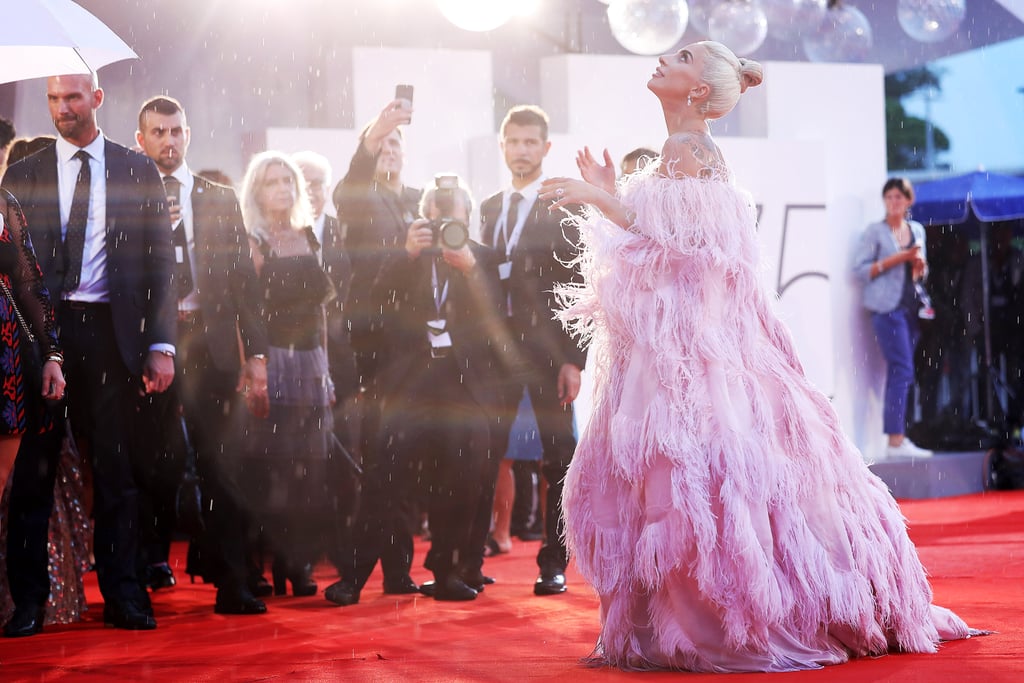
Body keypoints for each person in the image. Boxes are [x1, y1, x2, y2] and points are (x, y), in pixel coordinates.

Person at [540, 41, 979, 672]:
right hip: (690, 350)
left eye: (683, 56)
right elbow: (675, 245)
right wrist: (609, 196)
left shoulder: (685, 150)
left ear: (697, 92)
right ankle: (736, 609)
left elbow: (680, 245)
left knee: (692, 474)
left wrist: (601, 198)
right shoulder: (689, 153)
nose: (665, 58)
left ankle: (718, 619)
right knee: (705, 476)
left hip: (691, 355)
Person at [2, 73, 176, 634]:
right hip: (40, 339)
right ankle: (29, 602)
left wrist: (161, 343)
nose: (62, 109)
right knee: (34, 473)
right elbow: (14, 272)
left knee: (117, 472)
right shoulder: (22, 174)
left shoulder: (136, 168)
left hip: (111, 335)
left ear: (97, 98)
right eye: (53, 99)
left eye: (73, 98)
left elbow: (161, 265)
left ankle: (125, 596)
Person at [327, 175, 506, 604]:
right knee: (383, 480)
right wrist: (405, 255)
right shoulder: (404, 254)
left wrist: (471, 270)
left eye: (453, 213)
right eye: (436, 212)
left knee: (459, 483)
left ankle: (446, 572)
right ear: (423, 216)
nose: (444, 221)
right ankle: (353, 576)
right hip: (408, 383)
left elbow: (499, 318)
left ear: (468, 216)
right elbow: (370, 310)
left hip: (462, 386)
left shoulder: (484, 257)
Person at [135, 95, 270, 615]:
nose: (168, 141)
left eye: (176, 131)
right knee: (154, 466)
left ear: (187, 134)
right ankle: (144, 571)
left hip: (209, 348)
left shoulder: (218, 196)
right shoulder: (127, 194)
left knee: (222, 466)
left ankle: (232, 581)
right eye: (158, 132)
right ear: (142, 138)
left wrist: (257, 356)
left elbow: (243, 285)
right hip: (150, 346)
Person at [479, 105, 585, 597]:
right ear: (502, 146)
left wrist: (571, 359)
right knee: (482, 452)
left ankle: (554, 561)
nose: (520, 149)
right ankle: (466, 560)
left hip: (546, 353)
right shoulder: (488, 208)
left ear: (545, 148)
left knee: (558, 458)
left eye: (530, 142)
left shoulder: (563, 203)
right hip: (493, 353)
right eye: (512, 141)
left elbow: (576, 286)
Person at [325, 99, 423, 604]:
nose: (388, 149)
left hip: (420, 351)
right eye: (379, 143)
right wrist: (373, 135)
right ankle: (357, 572)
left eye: (395, 142)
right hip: (374, 348)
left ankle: (397, 570)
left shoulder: (422, 202)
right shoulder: (358, 199)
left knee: (401, 462)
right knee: (382, 460)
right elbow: (352, 185)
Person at [239, 151, 334, 597]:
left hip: (312, 360)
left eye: (287, 180)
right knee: (270, 470)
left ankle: (298, 563)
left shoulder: (310, 237)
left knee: (309, 471)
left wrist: (327, 372)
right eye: (272, 181)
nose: (282, 188)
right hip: (272, 360)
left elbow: (320, 312)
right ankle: (263, 563)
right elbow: (247, 313)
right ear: (257, 190)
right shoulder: (252, 241)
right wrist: (251, 369)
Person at [0, 188, 73, 635]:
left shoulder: (4, 202)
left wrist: (52, 354)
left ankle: (25, 602)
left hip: (6, 357)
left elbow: (29, 284)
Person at [853, 178, 934, 458]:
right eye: (889, 196)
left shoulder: (916, 230)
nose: (893, 201)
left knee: (904, 371)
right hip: (886, 309)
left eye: (899, 197)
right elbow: (860, 270)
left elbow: (920, 273)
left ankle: (898, 437)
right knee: (903, 369)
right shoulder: (875, 232)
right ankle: (895, 440)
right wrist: (898, 259)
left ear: (908, 200)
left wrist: (917, 266)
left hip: (911, 308)